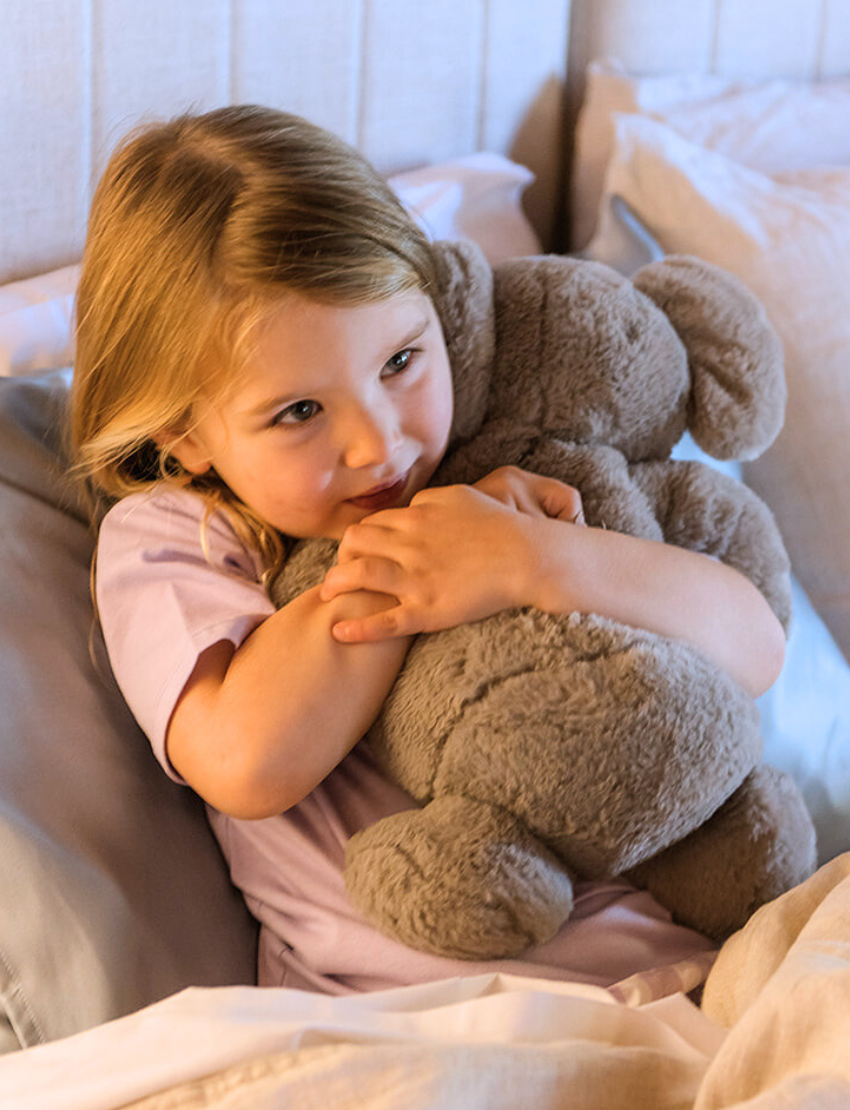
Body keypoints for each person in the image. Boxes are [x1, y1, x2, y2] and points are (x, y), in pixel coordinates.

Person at [70, 105, 784, 997]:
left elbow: (755, 648)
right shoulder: (181, 532)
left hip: (700, 972)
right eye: (298, 411)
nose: (380, 446)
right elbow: (245, 758)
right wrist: (419, 555)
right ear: (185, 435)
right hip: (419, 1015)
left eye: (402, 361)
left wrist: (529, 557)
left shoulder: (507, 449)